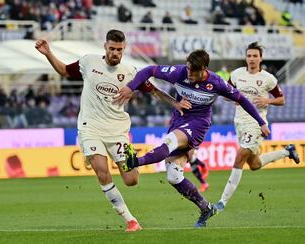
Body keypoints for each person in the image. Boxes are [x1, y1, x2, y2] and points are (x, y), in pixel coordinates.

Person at [35, 30, 188, 232]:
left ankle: (120, 159)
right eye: (112, 49)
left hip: (117, 130)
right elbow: (63, 70)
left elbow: (155, 92)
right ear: (105, 47)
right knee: (102, 171)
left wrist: (175, 103)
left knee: (131, 180)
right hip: (90, 128)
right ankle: (130, 220)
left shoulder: (131, 72)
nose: (116, 53)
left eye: (119, 49)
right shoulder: (89, 62)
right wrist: (48, 53)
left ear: (124, 49)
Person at [115, 49, 270, 228]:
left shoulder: (216, 83)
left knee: (169, 142)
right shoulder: (179, 72)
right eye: (188, 69)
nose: (189, 73)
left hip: (198, 124)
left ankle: (134, 162)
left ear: (204, 69)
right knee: (173, 176)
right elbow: (149, 70)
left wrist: (260, 122)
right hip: (178, 120)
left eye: (193, 71)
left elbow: (242, 100)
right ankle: (206, 208)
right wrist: (131, 86)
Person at [215, 42, 300, 213]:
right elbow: (226, 93)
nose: (252, 59)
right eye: (249, 56)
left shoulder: (268, 78)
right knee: (254, 164)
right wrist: (233, 98)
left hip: (257, 124)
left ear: (261, 58)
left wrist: (267, 100)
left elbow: (281, 100)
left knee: (239, 158)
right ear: (246, 58)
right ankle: (287, 151)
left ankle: (222, 202)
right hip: (239, 122)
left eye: (255, 56)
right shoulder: (237, 74)